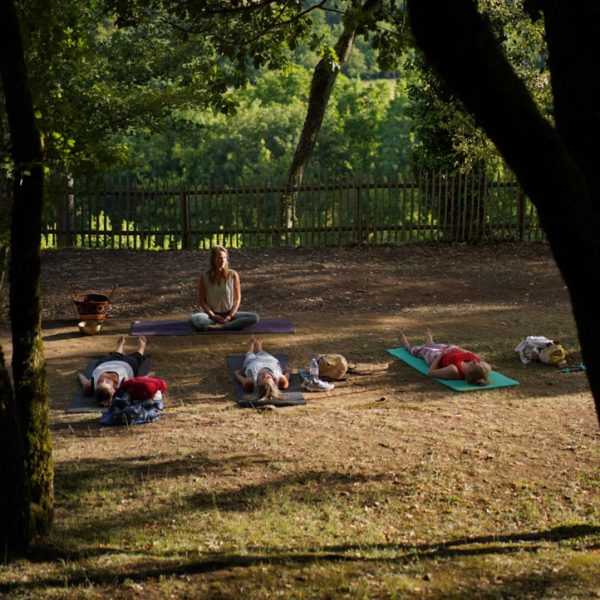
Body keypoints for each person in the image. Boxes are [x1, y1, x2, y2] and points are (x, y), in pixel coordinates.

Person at [189, 245, 260, 331]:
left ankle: (222, 326)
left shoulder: (233, 275)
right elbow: (202, 301)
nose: (222, 261)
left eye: (225, 258)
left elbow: (237, 299)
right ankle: (221, 324)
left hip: (229, 314)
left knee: (254, 317)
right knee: (195, 320)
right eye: (219, 258)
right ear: (213, 259)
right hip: (211, 315)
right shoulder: (204, 277)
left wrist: (229, 316)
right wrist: (213, 316)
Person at [401, 329, 491, 386]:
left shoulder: (454, 371)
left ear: (469, 373)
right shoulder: (484, 368)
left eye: (475, 364)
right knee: (450, 346)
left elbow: (431, 372)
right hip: (453, 350)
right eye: (479, 364)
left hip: (437, 357)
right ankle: (431, 343)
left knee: (423, 350)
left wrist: (441, 355)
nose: (476, 362)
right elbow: (484, 366)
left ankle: (407, 346)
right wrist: (463, 350)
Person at [78, 335, 147, 406]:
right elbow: (138, 383)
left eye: (101, 382)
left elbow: (84, 381)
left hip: (105, 364)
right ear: (113, 390)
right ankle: (141, 346)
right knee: (136, 358)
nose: (104, 380)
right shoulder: (123, 384)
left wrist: (80, 375)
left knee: (115, 356)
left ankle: (120, 345)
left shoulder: (90, 386)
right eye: (106, 382)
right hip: (126, 365)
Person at [235, 337, 291, 401]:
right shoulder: (281, 380)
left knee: (249, 355)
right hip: (269, 361)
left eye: (262, 377)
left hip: (252, 363)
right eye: (268, 377)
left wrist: (237, 374)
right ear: (274, 381)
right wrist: (287, 372)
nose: (265, 375)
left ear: (257, 383)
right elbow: (286, 378)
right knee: (262, 353)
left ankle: (250, 350)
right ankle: (259, 349)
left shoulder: (250, 382)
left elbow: (243, 381)